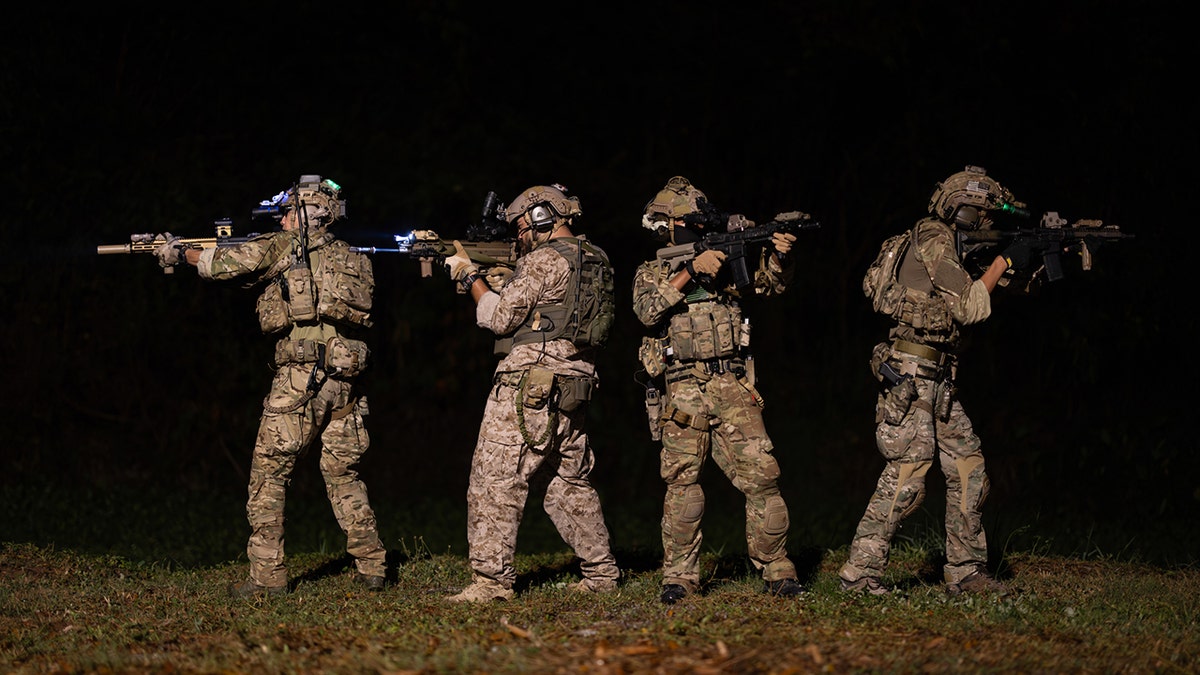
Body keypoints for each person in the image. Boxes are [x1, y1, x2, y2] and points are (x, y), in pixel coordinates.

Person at [155, 175, 387, 598]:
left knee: (268, 476)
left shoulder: (287, 246)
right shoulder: (350, 256)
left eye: (286, 211)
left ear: (305, 213)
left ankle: (266, 578)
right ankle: (372, 565)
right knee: (342, 473)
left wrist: (180, 251)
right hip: (345, 380)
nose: (279, 218)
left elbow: (223, 265)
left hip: (301, 377)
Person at [840, 165, 1027, 596]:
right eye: (982, 215)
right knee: (908, 472)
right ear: (964, 213)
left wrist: (1023, 265)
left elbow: (977, 291)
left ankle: (965, 570)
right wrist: (1006, 259)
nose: (988, 224)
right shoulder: (933, 239)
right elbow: (971, 307)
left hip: (937, 377)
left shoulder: (946, 245)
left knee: (969, 467)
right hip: (910, 374)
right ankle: (859, 572)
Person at [442, 183, 621, 602]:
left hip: (528, 388)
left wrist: (471, 277)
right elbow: (553, 311)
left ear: (542, 217)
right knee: (569, 483)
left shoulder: (541, 261)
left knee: (494, 482)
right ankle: (601, 574)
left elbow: (502, 318)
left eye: (522, 225)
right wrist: (507, 278)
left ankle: (491, 582)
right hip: (573, 387)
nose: (519, 235)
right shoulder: (594, 257)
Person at [632, 176, 804, 604]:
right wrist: (691, 270)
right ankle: (679, 576)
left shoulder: (727, 261)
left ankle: (777, 568)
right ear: (667, 225)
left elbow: (767, 286)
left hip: (731, 383)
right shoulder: (653, 270)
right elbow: (646, 310)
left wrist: (780, 257)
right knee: (682, 484)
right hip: (683, 388)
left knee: (763, 477)